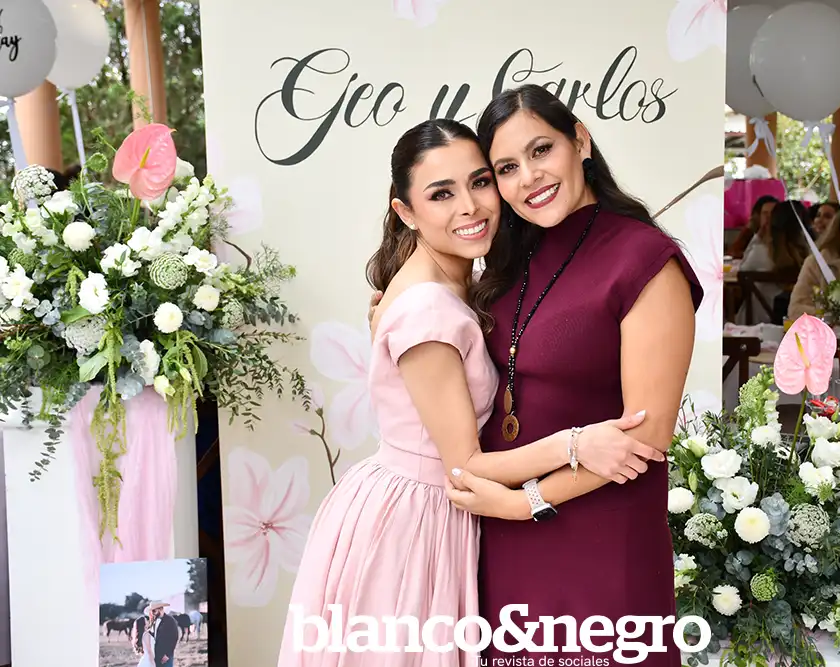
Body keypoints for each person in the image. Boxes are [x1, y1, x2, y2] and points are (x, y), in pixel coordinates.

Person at [277, 118, 665, 667]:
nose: (470, 206)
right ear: (405, 212)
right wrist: (576, 444)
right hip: (415, 521)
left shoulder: (463, 285)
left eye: (480, 182)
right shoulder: (427, 308)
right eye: (441, 194)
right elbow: (465, 465)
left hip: (444, 511)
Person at [449, 83, 700, 666]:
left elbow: (647, 436)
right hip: (504, 540)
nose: (529, 177)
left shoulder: (645, 260)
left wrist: (524, 503)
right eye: (507, 168)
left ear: (580, 142)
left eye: (541, 150)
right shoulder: (507, 264)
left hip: (599, 535)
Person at [736, 200, 811, 324]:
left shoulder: (759, 253)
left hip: (757, 324)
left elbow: (742, 272)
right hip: (797, 324)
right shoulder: (810, 260)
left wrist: (757, 238)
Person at [727, 194, 779, 259]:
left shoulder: (782, 234)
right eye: (765, 213)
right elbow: (732, 253)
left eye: (773, 213)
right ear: (758, 215)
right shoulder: (751, 232)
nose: (769, 217)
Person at [149, 602, 178, 667]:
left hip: (166, 655)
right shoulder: (154, 621)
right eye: (152, 611)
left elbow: (174, 638)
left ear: (161, 609)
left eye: (154, 611)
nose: (152, 613)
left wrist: (167, 654)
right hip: (156, 654)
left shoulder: (170, 621)